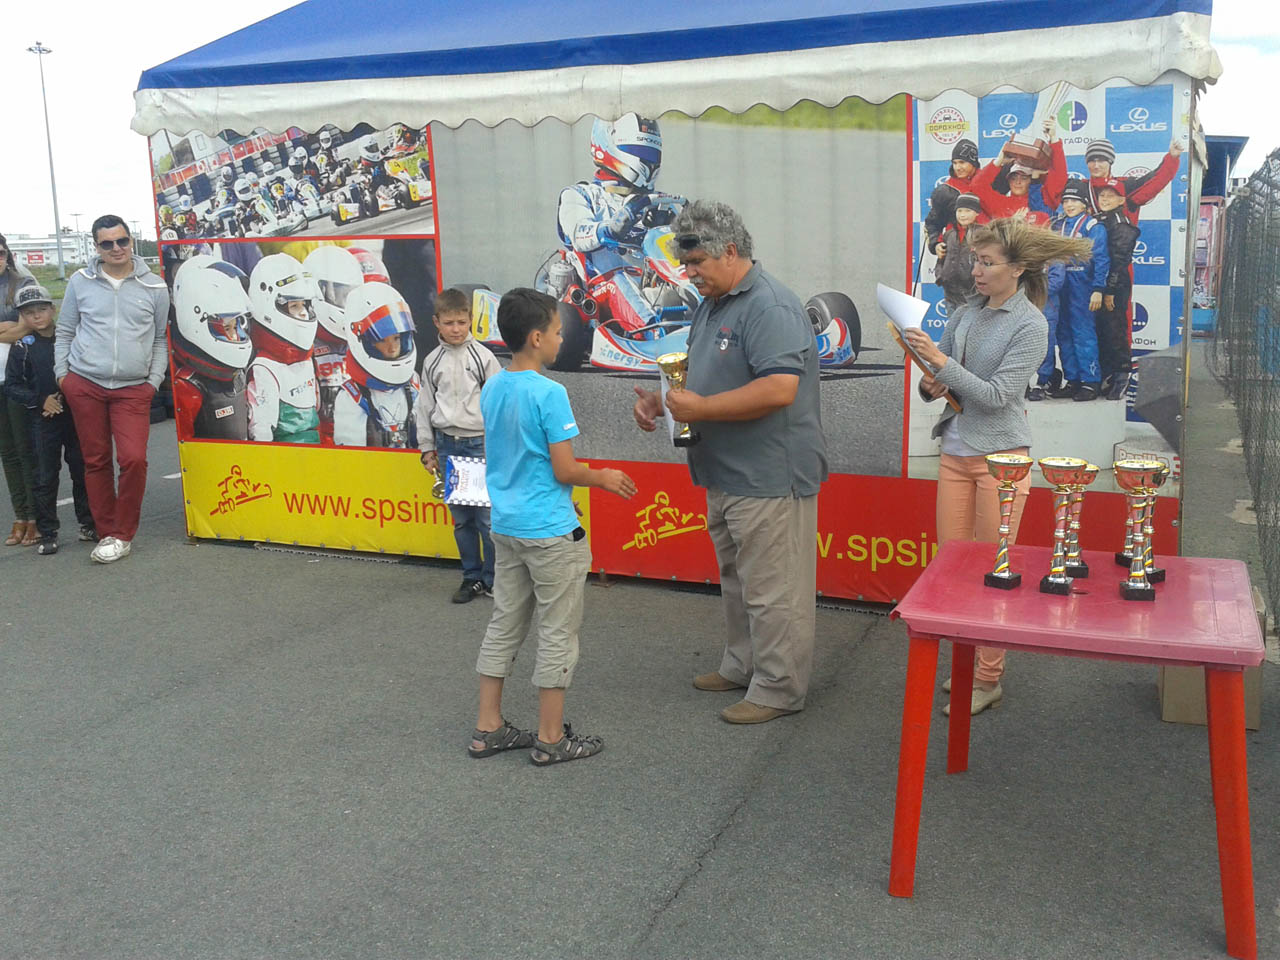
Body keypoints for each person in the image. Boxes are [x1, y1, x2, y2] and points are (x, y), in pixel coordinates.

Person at [632, 200, 827, 725]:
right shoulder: (714, 303)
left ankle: (779, 688)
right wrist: (662, 402)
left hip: (768, 475)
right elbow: (703, 377)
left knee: (773, 590)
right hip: (726, 472)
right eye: (686, 264)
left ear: (732, 251)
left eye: (697, 263)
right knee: (740, 582)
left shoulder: (769, 306)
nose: (689, 274)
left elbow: (779, 388)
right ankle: (744, 666)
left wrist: (701, 408)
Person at [903, 217, 1093, 715]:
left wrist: (942, 363)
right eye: (975, 261)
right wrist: (930, 381)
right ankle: (967, 665)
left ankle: (988, 678)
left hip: (1001, 464)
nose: (976, 271)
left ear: (1017, 269)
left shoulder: (1031, 324)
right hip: (954, 453)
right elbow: (941, 382)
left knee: (994, 570)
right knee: (952, 567)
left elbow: (996, 396)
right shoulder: (966, 311)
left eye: (987, 262)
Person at [470, 287, 635, 765]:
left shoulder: (493, 387)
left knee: (504, 623)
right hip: (550, 533)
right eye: (559, 332)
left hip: (507, 525)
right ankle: (550, 737)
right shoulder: (550, 393)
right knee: (558, 632)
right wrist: (602, 477)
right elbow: (565, 469)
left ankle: (488, 727)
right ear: (537, 337)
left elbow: (513, 458)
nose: (564, 339)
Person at [55, 216, 169, 564]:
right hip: (85, 383)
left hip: (134, 389)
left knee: (133, 459)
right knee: (96, 460)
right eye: (107, 243)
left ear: (131, 241)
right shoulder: (80, 281)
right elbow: (65, 331)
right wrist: (63, 377)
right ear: (96, 247)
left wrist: (153, 382)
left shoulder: (155, 287)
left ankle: (123, 532)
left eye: (122, 241)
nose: (116, 249)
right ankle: (108, 532)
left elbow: (160, 339)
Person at [416, 287, 502, 603]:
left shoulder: (483, 357)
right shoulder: (432, 361)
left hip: (479, 445)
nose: (456, 329)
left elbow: (498, 405)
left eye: (462, 322)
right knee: (462, 519)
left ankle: (494, 580)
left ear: (470, 321)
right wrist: (427, 448)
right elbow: (424, 406)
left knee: (486, 520)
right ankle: (471, 578)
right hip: (448, 446)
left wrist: (499, 447)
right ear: (436, 322)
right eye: (449, 323)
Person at [553, 113, 676, 322]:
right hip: (601, 291)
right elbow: (578, 234)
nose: (647, 161)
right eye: (639, 152)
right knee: (620, 282)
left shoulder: (659, 202)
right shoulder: (581, 195)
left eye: (651, 154)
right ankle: (655, 333)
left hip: (651, 288)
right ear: (607, 145)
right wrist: (610, 228)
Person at [5, 286, 94, 555]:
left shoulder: (72, 338)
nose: (37, 316)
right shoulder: (22, 346)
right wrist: (41, 400)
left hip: (75, 414)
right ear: (22, 316)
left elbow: (87, 370)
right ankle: (47, 531)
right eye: (29, 313)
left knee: (82, 469)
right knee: (45, 475)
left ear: (53, 309)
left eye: (42, 309)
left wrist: (70, 395)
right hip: (43, 419)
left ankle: (88, 523)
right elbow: (12, 385)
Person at [170, 260, 253, 441]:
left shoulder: (237, 373)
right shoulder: (188, 384)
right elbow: (185, 444)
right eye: (226, 328)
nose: (234, 336)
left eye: (236, 327)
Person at [1043, 181, 1110, 402]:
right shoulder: (1057, 224)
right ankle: (1073, 380)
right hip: (1059, 286)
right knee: (1063, 334)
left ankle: (1090, 381)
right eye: (1066, 201)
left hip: (1083, 286)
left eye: (1074, 200)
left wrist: (1098, 289)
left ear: (1084, 204)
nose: (1069, 205)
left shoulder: (1092, 226)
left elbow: (1101, 259)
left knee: (1083, 333)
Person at [333, 282, 419, 448]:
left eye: (396, 338)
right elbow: (350, 455)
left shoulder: (413, 385)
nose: (392, 348)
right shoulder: (351, 396)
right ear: (364, 342)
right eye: (382, 340)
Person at [246, 253, 321, 444]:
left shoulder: (306, 357)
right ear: (268, 306)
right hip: (288, 454)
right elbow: (261, 430)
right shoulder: (264, 367)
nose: (303, 313)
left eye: (304, 305)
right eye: (294, 306)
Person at [0, 234, 38, 546]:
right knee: (8, 452)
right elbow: (16, 327)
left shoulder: (22, 283)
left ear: (8, 254)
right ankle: (20, 516)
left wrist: (15, 329)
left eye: (0, 253)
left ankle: (36, 517)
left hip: (18, 376)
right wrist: (9, 328)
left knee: (26, 450)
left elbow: (30, 325)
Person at [1092, 179, 1143, 400]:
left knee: (1115, 329)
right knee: (1101, 329)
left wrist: (1110, 290)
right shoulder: (1100, 219)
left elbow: (1119, 261)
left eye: (1110, 196)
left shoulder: (1122, 224)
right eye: (1102, 195)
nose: (1105, 199)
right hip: (1102, 283)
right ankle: (1107, 374)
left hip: (1116, 284)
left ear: (1122, 200)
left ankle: (1122, 375)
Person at [970, 120, 1066, 221]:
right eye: (1013, 177)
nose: (1018, 182)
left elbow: (1059, 178)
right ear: (1008, 181)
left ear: (1031, 180)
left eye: (1024, 178)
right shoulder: (1000, 203)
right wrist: (998, 162)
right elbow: (976, 187)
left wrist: (1054, 139)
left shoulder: (1042, 200)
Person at [924, 139, 979, 255]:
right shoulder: (944, 191)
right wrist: (936, 244)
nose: (957, 167)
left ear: (973, 163)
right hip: (955, 253)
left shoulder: (989, 182)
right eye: (955, 163)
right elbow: (932, 223)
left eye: (962, 162)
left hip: (984, 252)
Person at [934, 192, 985, 308]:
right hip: (950, 294)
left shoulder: (984, 234)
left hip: (974, 295)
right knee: (952, 319)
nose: (962, 215)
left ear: (977, 212)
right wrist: (940, 275)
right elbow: (941, 259)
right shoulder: (949, 234)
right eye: (959, 211)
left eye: (968, 211)